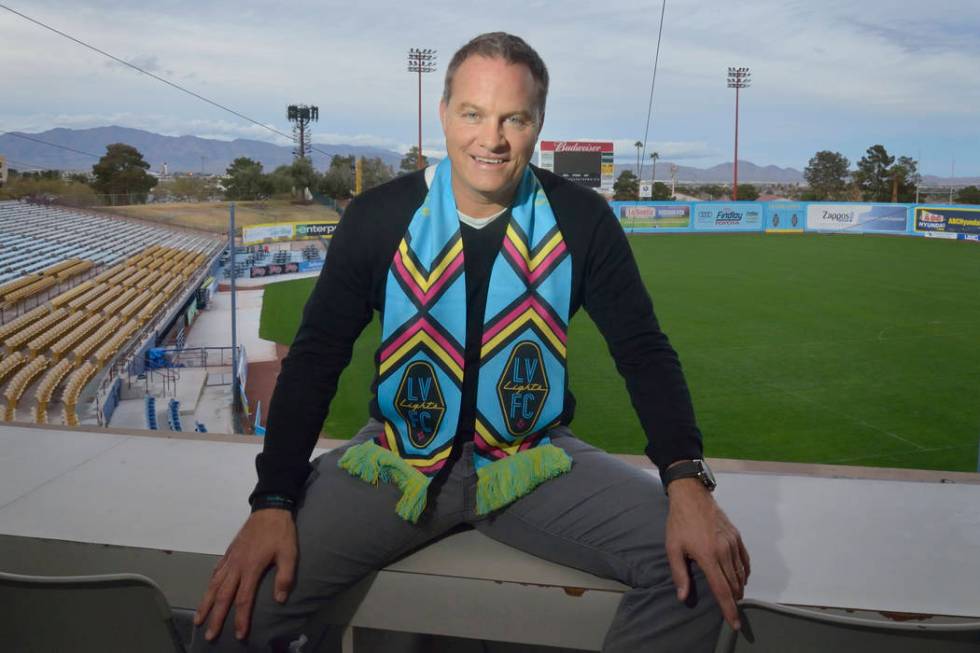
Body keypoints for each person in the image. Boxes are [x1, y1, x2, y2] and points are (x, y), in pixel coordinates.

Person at [193, 32, 749, 652]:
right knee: (231, 618)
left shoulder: (581, 217)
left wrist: (687, 482)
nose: (492, 139)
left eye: (515, 118)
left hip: (530, 457)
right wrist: (273, 498)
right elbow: (318, 358)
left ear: (539, 123)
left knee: (701, 567)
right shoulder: (379, 215)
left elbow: (644, 352)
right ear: (443, 114)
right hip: (396, 458)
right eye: (473, 114)